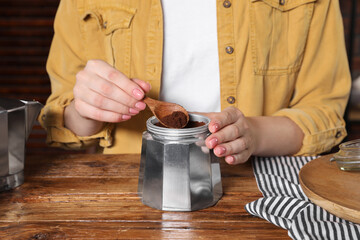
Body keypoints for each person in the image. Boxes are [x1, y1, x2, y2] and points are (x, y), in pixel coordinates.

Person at [39, 0, 351, 165]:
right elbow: (61, 118)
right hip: (128, 195)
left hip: (262, 189)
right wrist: (88, 111)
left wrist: (253, 134)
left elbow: (325, 112)